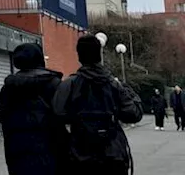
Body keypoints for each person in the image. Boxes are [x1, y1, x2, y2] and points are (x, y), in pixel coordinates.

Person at [53, 34, 143, 174]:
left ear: (79, 56)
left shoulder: (69, 85)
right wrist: (128, 92)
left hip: (80, 155)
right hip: (112, 154)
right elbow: (133, 114)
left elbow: (57, 115)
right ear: (99, 55)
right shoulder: (113, 85)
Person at [0, 42, 67, 175]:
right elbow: (64, 114)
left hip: (17, 151)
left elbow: (2, 116)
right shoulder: (53, 84)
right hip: (51, 149)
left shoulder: (8, 88)